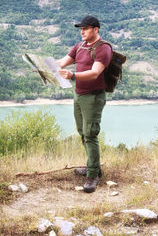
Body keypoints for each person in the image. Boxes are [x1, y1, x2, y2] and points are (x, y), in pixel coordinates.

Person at [57, 15, 112, 193]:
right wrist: (44, 68)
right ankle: (92, 166)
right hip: (79, 96)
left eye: (85, 29)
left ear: (96, 29)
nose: (82, 32)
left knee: (90, 134)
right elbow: (61, 63)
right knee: (82, 132)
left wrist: (72, 76)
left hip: (93, 97)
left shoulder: (103, 48)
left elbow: (95, 73)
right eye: (81, 29)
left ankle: (93, 175)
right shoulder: (79, 46)